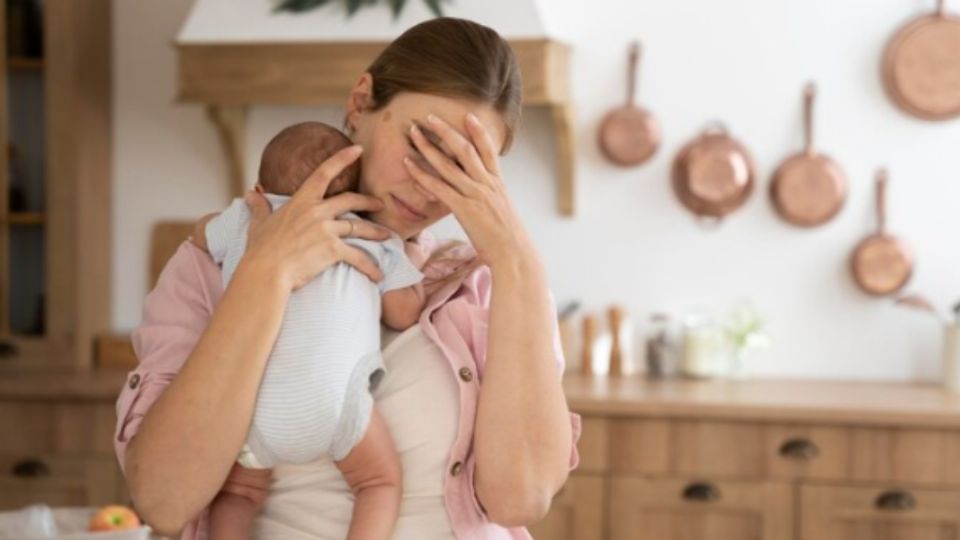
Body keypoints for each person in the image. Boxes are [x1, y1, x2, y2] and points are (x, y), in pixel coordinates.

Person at [114, 17, 581, 540]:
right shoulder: (212, 267)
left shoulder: (489, 285)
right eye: (420, 142)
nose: (429, 187)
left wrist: (517, 259)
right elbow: (164, 500)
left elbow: (519, 497)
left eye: (462, 168)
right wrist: (265, 275)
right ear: (361, 103)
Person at [193, 121, 427, 540]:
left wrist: (236, 215)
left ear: (261, 190)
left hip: (251, 409)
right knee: (378, 484)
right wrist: (409, 257)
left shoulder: (249, 221)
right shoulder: (372, 235)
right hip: (335, 407)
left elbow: (198, 237)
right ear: (355, 196)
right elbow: (404, 314)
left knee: (240, 493)